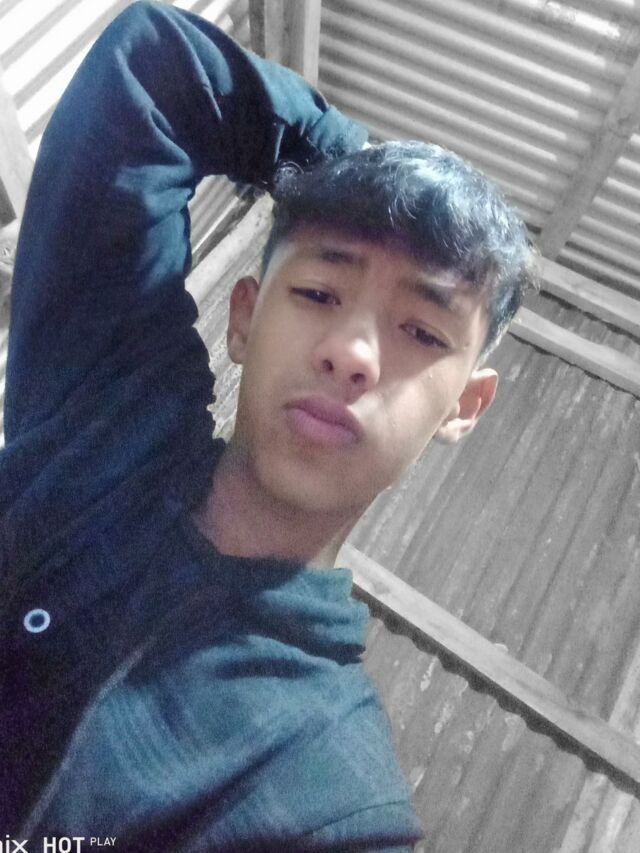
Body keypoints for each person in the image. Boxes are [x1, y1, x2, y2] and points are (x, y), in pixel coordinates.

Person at [0, 1, 536, 849]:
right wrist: (357, 170)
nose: (352, 352)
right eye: (319, 292)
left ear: (463, 406)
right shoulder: (99, 420)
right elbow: (154, 69)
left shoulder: (329, 797)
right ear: (245, 317)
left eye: (422, 331)